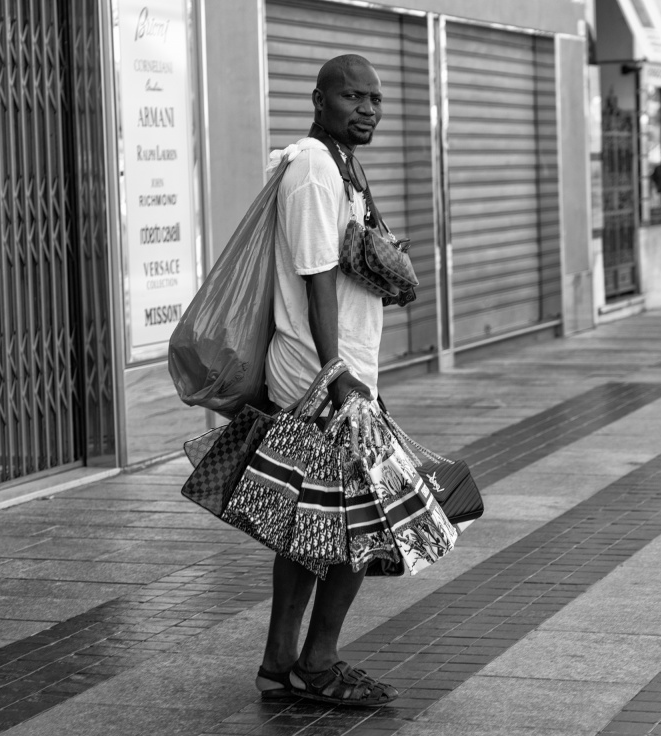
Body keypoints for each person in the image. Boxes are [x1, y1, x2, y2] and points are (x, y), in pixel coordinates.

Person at [256, 54, 398, 707]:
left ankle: (281, 664)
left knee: (312, 525)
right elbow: (317, 284)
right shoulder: (314, 169)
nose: (366, 107)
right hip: (325, 381)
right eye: (352, 96)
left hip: (338, 372)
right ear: (319, 99)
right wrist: (341, 379)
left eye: (374, 97)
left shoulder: (338, 164)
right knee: (366, 524)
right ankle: (317, 662)